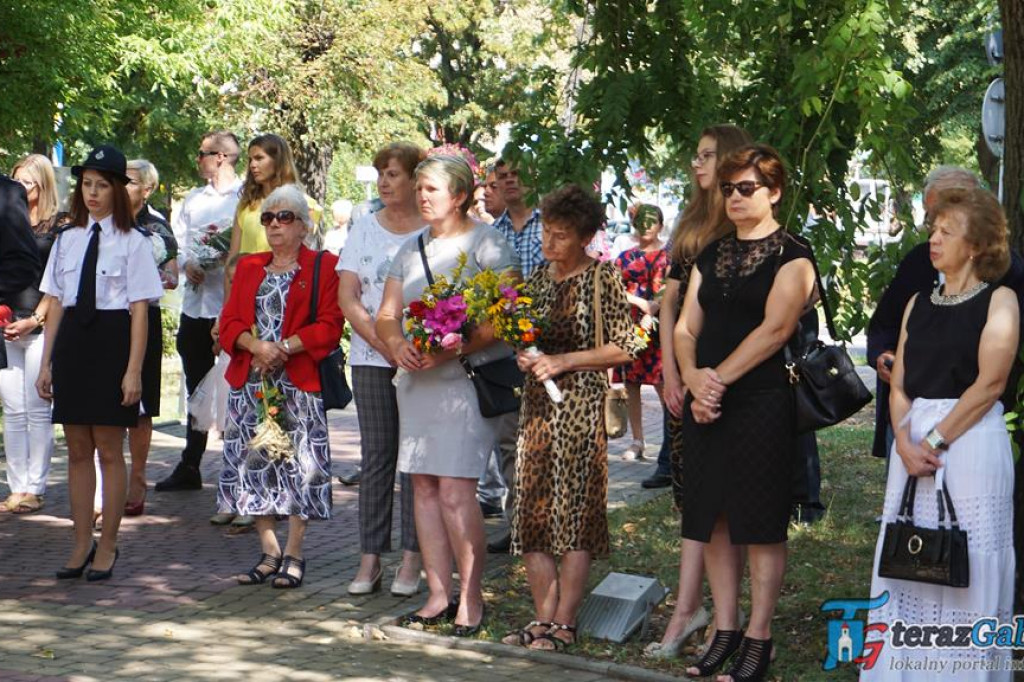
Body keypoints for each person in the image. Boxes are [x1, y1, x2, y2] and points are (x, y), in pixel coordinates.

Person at [862, 188, 1018, 680]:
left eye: (947, 232)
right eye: (933, 229)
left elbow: (990, 384)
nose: (933, 238)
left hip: (970, 444)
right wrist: (904, 444)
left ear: (976, 246)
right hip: (911, 446)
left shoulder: (1001, 300)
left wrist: (932, 442)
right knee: (908, 561)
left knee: (967, 564)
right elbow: (900, 384)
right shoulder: (917, 302)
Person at [675, 144, 814, 681]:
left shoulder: (793, 255)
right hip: (707, 403)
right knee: (713, 516)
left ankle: (759, 635)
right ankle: (726, 629)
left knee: (759, 522)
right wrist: (693, 378)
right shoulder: (711, 253)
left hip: (761, 402)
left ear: (773, 192)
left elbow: (775, 330)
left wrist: (714, 382)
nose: (734, 196)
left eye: (746, 188)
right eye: (728, 188)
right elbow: (686, 327)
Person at [377, 154, 519, 636]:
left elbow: (507, 311)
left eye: (431, 189)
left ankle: (471, 598)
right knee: (423, 487)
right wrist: (396, 344)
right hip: (418, 382)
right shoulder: (411, 247)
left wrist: (455, 346)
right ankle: (437, 595)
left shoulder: (488, 242)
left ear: (458, 195)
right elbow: (387, 314)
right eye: (419, 188)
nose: (422, 196)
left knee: (457, 491)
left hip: (464, 381)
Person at [500, 184, 636, 651]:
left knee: (576, 515)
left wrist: (564, 361)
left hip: (580, 407)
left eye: (560, 235)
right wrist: (525, 355)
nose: (549, 242)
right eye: (546, 232)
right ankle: (542, 617)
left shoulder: (602, 278)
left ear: (584, 237)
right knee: (532, 513)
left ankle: (565, 621)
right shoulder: (539, 277)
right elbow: (523, 335)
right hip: (537, 409)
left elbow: (626, 345)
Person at [644, 125, 752, 664]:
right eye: (696, 155)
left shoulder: (744, 223)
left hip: (734, 374)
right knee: (695, 501)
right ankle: (690, 608)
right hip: (686, 374)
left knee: (729, 503)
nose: (696, 163)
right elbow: (669, 306)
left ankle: (719, 617)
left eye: (707, 155)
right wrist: (671, 373)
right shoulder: (689, 223)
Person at [36, 145, 164, 581]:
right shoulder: (67, 239)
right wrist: (46, 363)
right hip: (74, 342)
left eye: (102, 185)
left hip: (112, 342)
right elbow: (55, 303)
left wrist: (133, 370)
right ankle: (80, 542)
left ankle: (108, 542)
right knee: (76, 449)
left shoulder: (134, 242)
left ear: (118, 190)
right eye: (87, 184)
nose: (92, 193)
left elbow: (140, 311)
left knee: (109, 449)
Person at [217, 184, 344, 588]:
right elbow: (228, 323)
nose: (274, 224)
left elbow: (330, 326)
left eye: (285, 217)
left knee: (298, 467)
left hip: (298, 384)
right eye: (268, 217)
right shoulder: (249, 267)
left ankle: (294, 552)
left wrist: (283, 348)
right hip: (252, 382)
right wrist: (255, 346)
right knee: (254, 466)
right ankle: (269, 551)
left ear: (303, 226)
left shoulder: (324, 266)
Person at [337, 141, 426, 596]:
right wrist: (382, 342)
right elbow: (347, 295)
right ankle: (369, 558)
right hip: (372, 358)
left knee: (415, 459)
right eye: (380, 175)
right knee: (377, 458)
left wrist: (409, 348)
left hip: (424, 360)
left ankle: (412, 558)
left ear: (415, 179)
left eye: (393, 174)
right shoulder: (364, 228)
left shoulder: (433, 231)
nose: (384, 183)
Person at [157, 130, 243, 496]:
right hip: (196, 307)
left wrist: (227, 258)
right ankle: (190, 463)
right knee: (196, 386)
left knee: (234, 388)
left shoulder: (245, 197)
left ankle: (237, 467)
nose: (198, 160)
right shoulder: (193, 199)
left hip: (232, 309)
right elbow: (178, 242)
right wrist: (190, 262)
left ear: (221, 157)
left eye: (202, 153)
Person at [484, 160, 545, 555]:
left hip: (551, 349)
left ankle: (547, 525)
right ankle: (518, 526)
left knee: (545, 442)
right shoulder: (493, 234)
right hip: (505, 352)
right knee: (509, 444)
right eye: (501, 177)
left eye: (515, 174)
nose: (508, 182)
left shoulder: (550, 224)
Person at [0, 154, 62, 514]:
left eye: (28, 182)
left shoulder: (58, 225)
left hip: (39, 323)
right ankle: (17, 486)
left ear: (43, 185)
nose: (21, 188)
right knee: (13, 409)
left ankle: (35, 487)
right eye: (17, 180)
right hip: (6, 323)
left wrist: (36, 319)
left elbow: (57, 283)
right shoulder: (7, 216)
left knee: (38, 408)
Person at [118, 159, 178, 516]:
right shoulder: (104, 219)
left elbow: (172, 275)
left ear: (147, 188)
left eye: (129, 181)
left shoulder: (157, 226)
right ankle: (108, 478)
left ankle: (137, 475)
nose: (121, 186)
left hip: (144, 317)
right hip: (107, 318)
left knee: (140, 401)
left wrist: (152, 276)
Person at [612, 204, 669, 461]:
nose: (646, 226)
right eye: (641, 220)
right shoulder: (625, 257)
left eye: (652, 220)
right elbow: (612, 288)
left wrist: (652, 310)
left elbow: (671, 290)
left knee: (663, 381)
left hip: (661, 327)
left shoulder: (670, 256)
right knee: (632, 383)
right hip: (630, 325)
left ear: (661, 225)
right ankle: (638, 441)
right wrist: (639, 303)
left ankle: (672, 441)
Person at [226, 133, 322, 263]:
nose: (252, 165)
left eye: (259, 158)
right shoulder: (246, 205)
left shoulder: (305, 205)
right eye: (250, 160)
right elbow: (232, 259)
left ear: (278, 160)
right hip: (246, 274)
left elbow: (303, 256)